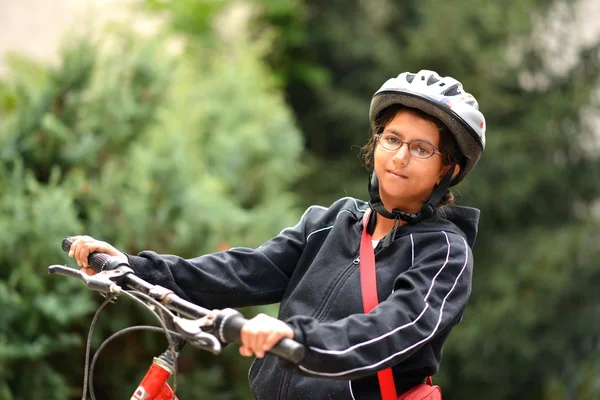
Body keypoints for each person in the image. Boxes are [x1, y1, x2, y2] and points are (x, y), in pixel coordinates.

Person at [68, 69, 486, 400]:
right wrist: (136, 266)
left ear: (446, 169)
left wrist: (296, 337)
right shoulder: (334, 221)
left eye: (420, 148)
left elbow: (394, 328)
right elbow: (246, 270)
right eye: (391, 139)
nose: (398, 156)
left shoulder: (444, 252)